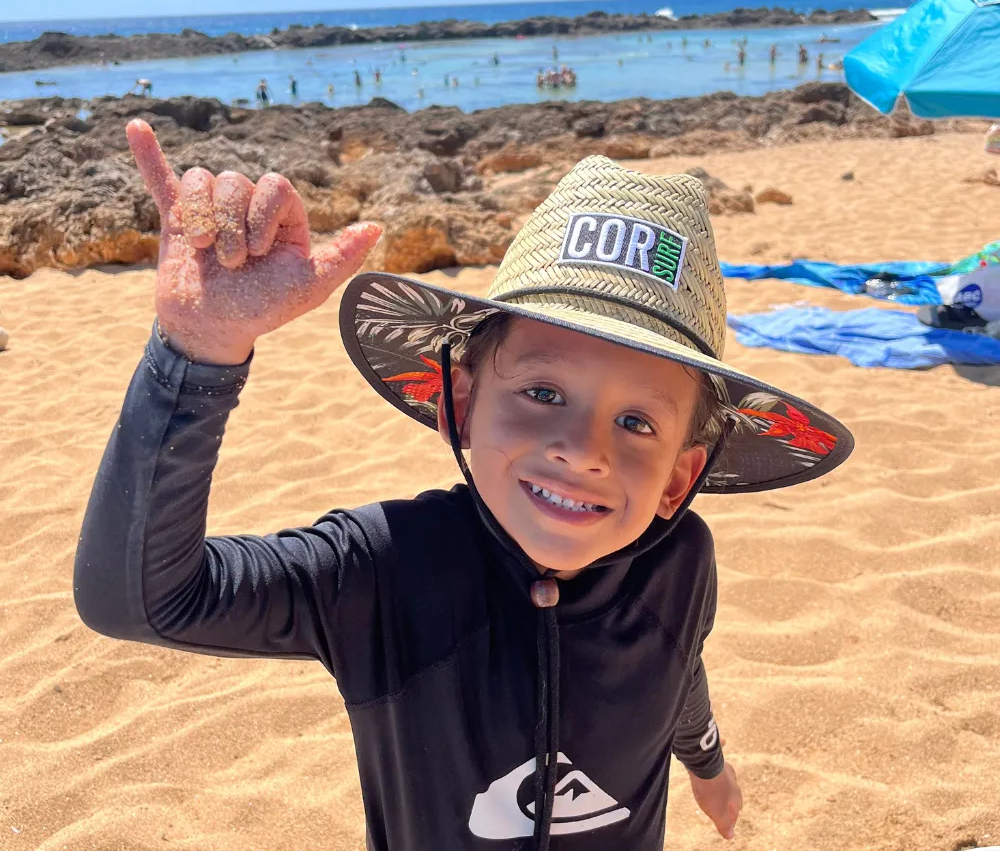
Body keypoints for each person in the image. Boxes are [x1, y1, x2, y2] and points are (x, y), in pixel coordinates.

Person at [74, 131, 854, 851]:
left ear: (679, 479)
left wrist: (707, 764)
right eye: (544, 393)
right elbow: (142, 601)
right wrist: (197, 356)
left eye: (638, 423)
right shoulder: (384, 568)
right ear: (461, 403)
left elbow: (680, 665)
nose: (582, 451)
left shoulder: (682, 555)